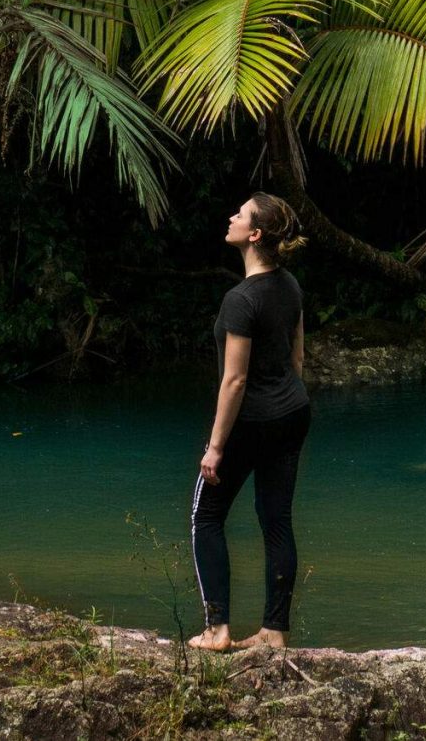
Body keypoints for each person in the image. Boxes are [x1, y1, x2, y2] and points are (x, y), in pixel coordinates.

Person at [187, 191, 313, 652]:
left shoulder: (240, 300)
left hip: (251, 420)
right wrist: (283, 403)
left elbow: (234, 381)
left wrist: (216, 446)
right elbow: (297, 359)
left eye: (239, 215)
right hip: (293, 412)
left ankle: (217, 630)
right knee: (276, 520)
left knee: (206, 516)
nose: (231, 216)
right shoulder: (290, 286)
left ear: (255, 234)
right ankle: (274, 632)